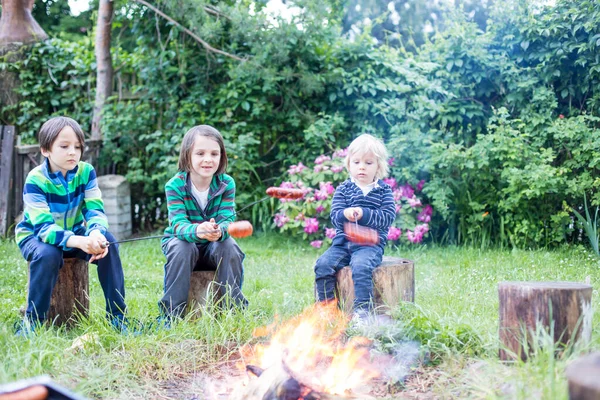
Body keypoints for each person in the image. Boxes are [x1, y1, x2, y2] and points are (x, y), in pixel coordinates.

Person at [15, 116, 131, 335]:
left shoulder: (86, 172)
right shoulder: (36, 179)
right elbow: (44, 228)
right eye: (64, 146)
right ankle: (32, 322)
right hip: (36, 236)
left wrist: (96, 232)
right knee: (49, 254)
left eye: (77, 147)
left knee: (110, 243)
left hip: (75, 232)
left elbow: (95, 209)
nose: (72, 152)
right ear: (45, 150)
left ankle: (118, 318)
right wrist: (80, 241)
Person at [159, 125, 248, 321]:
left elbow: (227, 219)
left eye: (214, 154)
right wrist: (198, 230)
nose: (208, 159)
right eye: (200, 153)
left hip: (212, 248)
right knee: (182, 247)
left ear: (221, 157)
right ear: (187, 156)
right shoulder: (175, 185)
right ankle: (172, 315)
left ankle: (232, 311)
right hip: (183, 245)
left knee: (230, 246)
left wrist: (219, 231)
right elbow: (178, 224)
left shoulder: (226, 184)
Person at [314, 133, 396, 320]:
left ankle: (362, 312)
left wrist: (364, 213)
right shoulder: (344, 189)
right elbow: (335, 217)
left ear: (378, 167)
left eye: (368, 163)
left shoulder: (383, 191)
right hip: (343, 243)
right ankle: (327, 309)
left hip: (370, 245)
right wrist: (345, 214)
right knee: (323, 265)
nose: (362, 167)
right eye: (357, 162)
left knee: (360, 268)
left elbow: (387, 218)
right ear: (349, 164)